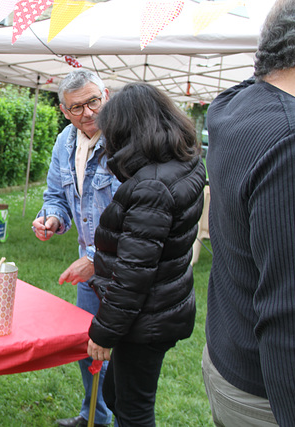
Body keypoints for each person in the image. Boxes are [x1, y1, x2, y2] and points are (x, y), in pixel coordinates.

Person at [203, 0, 295, 425]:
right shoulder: (294, 139)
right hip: (270, 393)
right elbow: (293, 314)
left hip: (227, 352)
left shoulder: (231, 106)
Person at [87, 82, 205, 426]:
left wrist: (103, 332)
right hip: (163, 307)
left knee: (134, 410)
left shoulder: (151, 186)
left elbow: (133, 274)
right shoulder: (184, 162)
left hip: (147, 317)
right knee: (117, 395)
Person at [31, 69, 117, 427]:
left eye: (93, 101)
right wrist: (51, 218)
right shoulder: (65, 142)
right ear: (64, 111)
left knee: (123, 356)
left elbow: (139, 216)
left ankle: (123, 416)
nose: (88, 113)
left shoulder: (127, 141)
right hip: (90, 270)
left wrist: (95, 260)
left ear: (106, 95)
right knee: (88, 346)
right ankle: (93, 415)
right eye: (77, 107)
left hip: (128, 270)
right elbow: (56, 196)